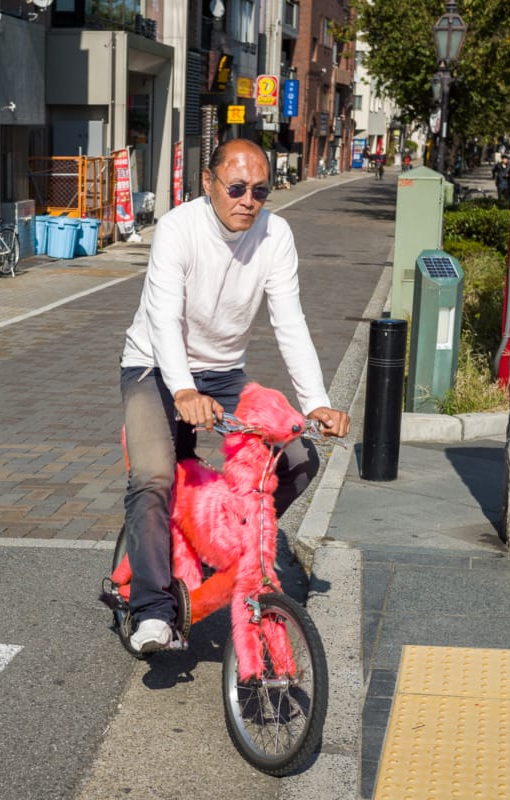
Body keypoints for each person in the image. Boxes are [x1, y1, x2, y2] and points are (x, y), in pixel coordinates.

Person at [119, 138, 351, 653]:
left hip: (224, 373)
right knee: (153, 474)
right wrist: (181, 389)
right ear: (208, 182)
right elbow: (163, 316)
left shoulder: (276, 234)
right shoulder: (179, 228)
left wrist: (315, 402)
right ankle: (152, 610)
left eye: (260, 191)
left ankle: (213, 534)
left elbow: (289, 321)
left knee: (296, 460)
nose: (248, 200)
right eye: (237, 187)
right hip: (155, 365)